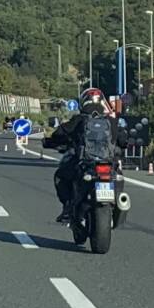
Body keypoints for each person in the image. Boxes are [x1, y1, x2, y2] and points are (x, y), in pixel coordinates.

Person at [45, 88, 127, 222]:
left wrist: (50, 141)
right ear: (102, 102)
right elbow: (123, 140)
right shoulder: (111, 121)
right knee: (118, 176)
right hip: (108, 162)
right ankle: (118, 201)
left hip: (85, 162)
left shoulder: (79, 120)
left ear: (83, 102)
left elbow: (59, 134)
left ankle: (67, 207)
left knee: (60, 176)